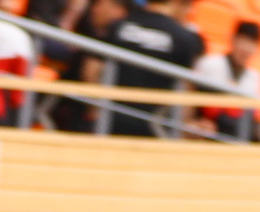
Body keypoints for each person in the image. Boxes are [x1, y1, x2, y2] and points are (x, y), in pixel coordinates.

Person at [78, 0, 202, 136]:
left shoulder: (119, 26)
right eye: (189, 6)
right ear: (177, 3)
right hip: (157, 130)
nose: (189, 12)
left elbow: (91, 69)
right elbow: (187, 89)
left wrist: (97, 108)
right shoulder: (184, 38)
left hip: (110, 123)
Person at [191, 19, 260, 143]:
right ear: (233, 39)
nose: (246, 49)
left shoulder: (254, 78)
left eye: (252, 44)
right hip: (206, 130)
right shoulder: (210, 64)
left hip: (235, 134)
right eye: (243, 41)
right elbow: (192, 100)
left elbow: (249, 117)